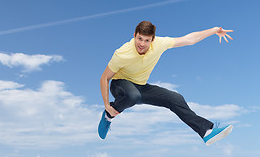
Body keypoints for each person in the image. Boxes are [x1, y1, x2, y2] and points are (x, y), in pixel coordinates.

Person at [98, 21, 233, 146]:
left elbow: (189, 40)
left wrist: (214, 30)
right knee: (133, 96)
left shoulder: (159, 44)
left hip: (141, 86)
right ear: (134, 35)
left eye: (147, 40)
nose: (142, 44)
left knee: (175, 98)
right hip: (120, 85)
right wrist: (107, 105)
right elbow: (104, 78)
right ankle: (108, 116)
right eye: (139, 39)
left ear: (153, 40)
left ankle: (206, 132)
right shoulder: (122, 53)